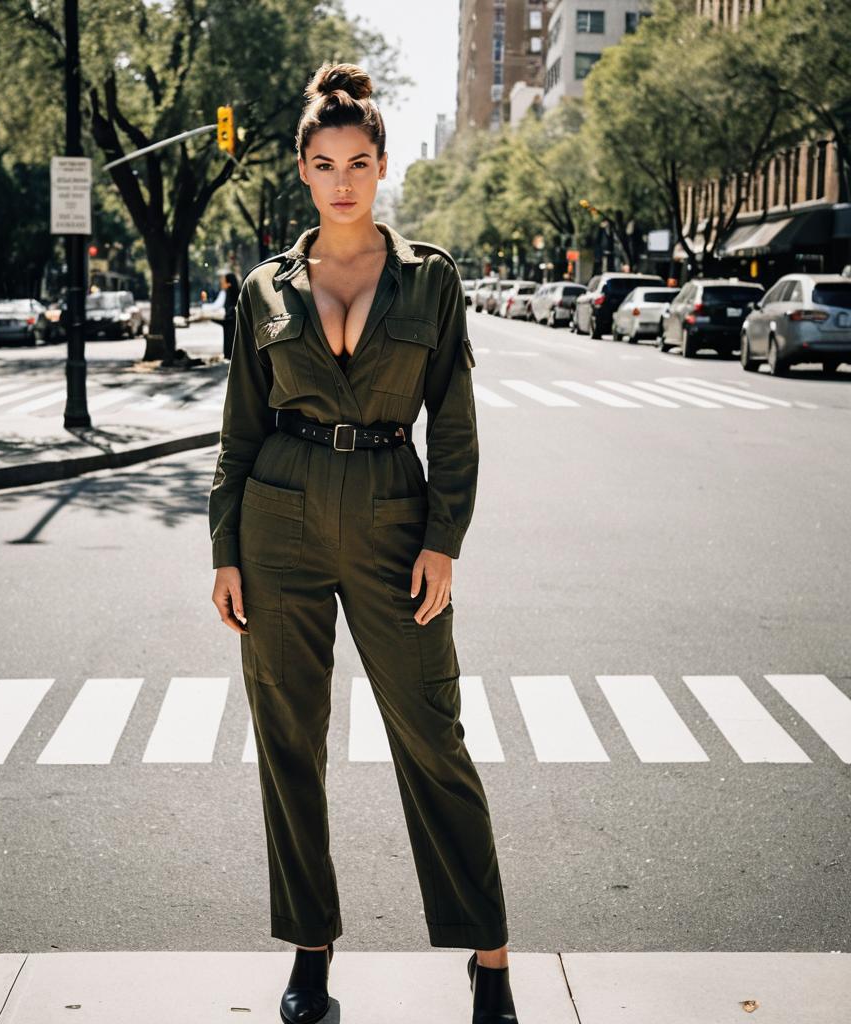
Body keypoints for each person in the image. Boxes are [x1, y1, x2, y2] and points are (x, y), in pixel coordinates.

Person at [208, 60, 515, 1024]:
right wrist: (225, 549)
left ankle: (491, 955)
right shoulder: (265, 286)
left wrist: (443, 538)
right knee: (288, 741)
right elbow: (238, 429)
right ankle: (310, 953)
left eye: (360, 161)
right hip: (280, 519)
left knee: (433, 734)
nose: (342, 179)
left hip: (392, 511)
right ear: (303, 171)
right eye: (324, 162)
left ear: (382, 168)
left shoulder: (431, 280)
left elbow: (455, 424)